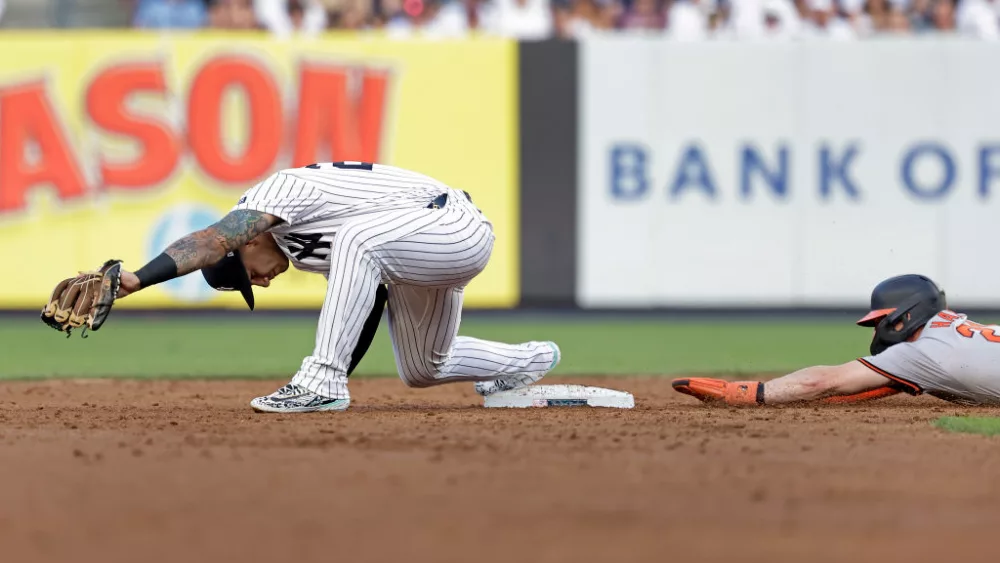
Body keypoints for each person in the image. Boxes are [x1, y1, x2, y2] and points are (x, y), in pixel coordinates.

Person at [110, 162, 560, 412]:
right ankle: (528, 361)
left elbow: (211, 240)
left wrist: (136, 280)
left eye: (249, 276)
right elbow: (366, 305)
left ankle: (320, 382)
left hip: (451, 225)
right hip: (415, 251)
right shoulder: (301, 251)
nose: (262, 283)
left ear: (244, 243)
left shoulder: (278, 191)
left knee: (355, 241)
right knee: (424, 367)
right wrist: (344, 367)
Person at [674, 274, 1000, 407]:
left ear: (905, 315)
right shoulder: (950, 326)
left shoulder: (917, 353)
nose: (876, 331)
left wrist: (750, 393)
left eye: (879, 321)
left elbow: (823, 382)